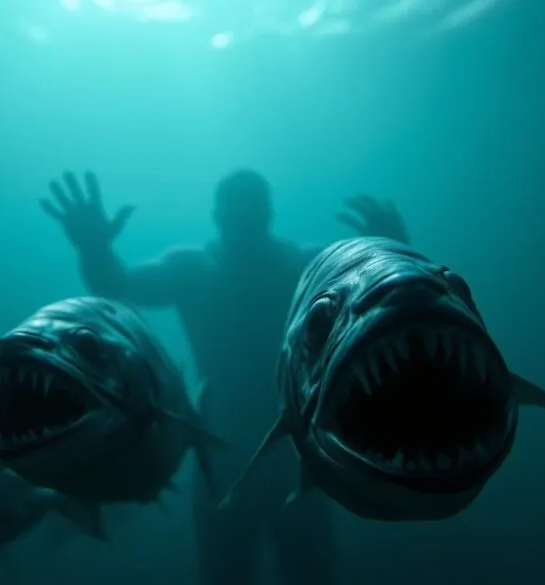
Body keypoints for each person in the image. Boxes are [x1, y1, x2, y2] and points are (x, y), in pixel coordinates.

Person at [40, 168, 408, 585]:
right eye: (239, 213)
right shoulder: (240, 268)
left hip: (274, 454)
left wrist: (390, 253)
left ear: (261, 214)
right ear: (223, 216)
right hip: (253, 454)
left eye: (248, 212)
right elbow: (117, 284)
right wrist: (93, 247)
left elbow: (117, 283)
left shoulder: (289, 267)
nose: (243, 222)